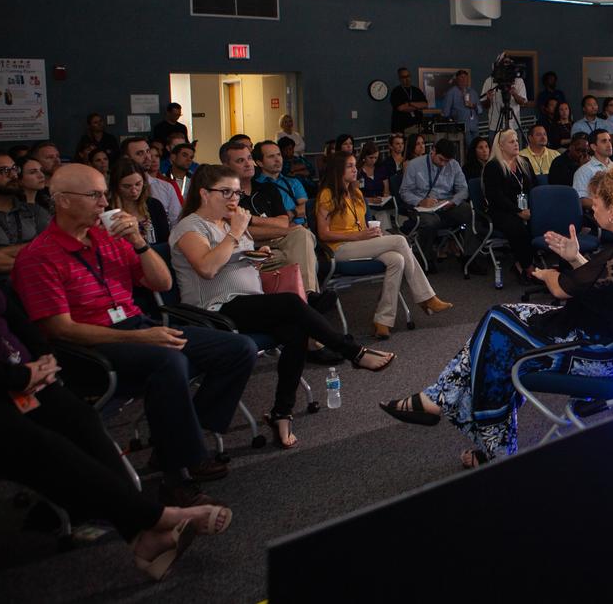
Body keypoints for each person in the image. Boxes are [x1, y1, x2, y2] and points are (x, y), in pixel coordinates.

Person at [379, 163, 613, 465]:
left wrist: (547, 275)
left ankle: (485, 438)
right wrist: (575, 257)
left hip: (594, 354)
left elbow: (562, 289)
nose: (591, 207)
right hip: (603, 336)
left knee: (498, 329)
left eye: (596, 203)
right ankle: (443, 403)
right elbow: (607, 284)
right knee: (500, 322)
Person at [11, 164, 257, 506]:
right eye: (94, 195)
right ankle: (177, 474)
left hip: (136, 324)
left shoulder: (111, 238)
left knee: (238, 348)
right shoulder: (38, 257)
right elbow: (60, 329)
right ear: (63, 201)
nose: (103, 203)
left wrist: (140, 243)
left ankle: (182, 439)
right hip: (87, 346)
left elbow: (162, 284)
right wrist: (142, 339)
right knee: (168, 361)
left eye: (103, 195)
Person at [0, 285, 232, 581]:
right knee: (40, 442)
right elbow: (58, 326)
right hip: (2, 387)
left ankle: (141, 535)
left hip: (30, 376)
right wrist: (20, 375)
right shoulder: (41, 256)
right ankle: (157, 517)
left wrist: (45, 359)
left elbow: (17, 320)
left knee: (82, 420)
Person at [172, 165, 394, 449]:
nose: (233, 199)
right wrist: (236, 234)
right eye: (225, 192)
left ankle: (281, 412)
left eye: (237, 193)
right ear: (203, 193)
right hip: (214, 310)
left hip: (247, 303)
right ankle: (353, 351)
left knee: (296, 329)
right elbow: (207, 267)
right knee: (292, 303)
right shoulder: (190, 226)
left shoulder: (228, 224)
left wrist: (255, 254)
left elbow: (234, 259)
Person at [316, 153, 450, 338]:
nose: (355, 169)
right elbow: (323, 234)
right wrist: (360, 235)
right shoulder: (327, 194)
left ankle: (383, 320)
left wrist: (370, 233)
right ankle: (426, 297)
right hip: (339, 248)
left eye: (355, 165)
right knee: (400, 240)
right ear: (338, 170)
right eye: (349, 166)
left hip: (361, 243)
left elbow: (361, 225)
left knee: (397, 259)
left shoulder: (355, 193)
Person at [220, 141, 321, 301]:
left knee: (301, 234)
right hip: (250, 249)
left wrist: (251, 219)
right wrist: (280, 229)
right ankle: (307, 300)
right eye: (240, 161)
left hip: (278, 241)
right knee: (296, 250)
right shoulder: (226, 195)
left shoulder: (267, 188)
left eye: (249, 158)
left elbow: (283, 222)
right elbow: (242, 232)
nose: (248, 164)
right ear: (226, 166)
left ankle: (308, 295)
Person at [398, 139, 473, 267]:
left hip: (445, 205)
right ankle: (426, 259)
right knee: (430, 222)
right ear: (433, 151)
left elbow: (464, 189)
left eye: (447, 161)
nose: (443, 164)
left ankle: (470, 256)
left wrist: (453, 202)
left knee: (469, 211)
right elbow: (404, 192)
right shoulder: (414, 165)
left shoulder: (453, 165)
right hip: (422, 207)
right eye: (441, 159)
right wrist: (420, 201)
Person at [479, 129, 536, 283]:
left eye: (517, 140)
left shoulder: (524, 162)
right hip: (501, 211)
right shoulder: (493, 166)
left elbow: (533, 188)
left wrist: (531, 208)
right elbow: (496, 197)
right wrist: (518, 212)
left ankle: (519, 264)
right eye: (512, 142)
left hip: (525, 208)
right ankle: (529, 268)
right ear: (501, 146)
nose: (516, 144)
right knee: (517, 226)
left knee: (540, 222)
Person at [0, 152, 52, 277]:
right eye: (4, 170)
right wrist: (32, 253)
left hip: (34, 286)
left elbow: (51, 247)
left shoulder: (34, 211)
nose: (13, 175)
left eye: (14, 169)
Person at [109, 157, 171, 245]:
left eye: (138, 184)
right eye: (127, 186)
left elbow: (165, 242)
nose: (134, 191)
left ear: (144, 182)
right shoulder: (107, 210)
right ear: (116, 186)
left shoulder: (154, 205)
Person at [120, 137, 183, 224]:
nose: (148, 157)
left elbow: (177, 222)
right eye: (139, 153)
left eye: (148, 151)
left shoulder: (166, 187)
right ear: (127, 158)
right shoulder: (119, 189)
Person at [253, 140, 312, 227]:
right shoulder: (256, 186)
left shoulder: (293, 182)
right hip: (274, 231)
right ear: (260, 163)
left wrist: (292, 213)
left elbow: (306, 207)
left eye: (279, 155)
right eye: (271, 156)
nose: (277, 160)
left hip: (300, 227)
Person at [480, 54, 528, 135]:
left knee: (516, 147)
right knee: (495, 147)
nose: (506, 65)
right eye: (504, 62)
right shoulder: (489, 81)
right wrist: (488, 99)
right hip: (495, 126)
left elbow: (523, 102)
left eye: (508, 63)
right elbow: (484, 105)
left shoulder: (518, 81)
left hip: (514, 126)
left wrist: (515, 94)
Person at [573, 128, 613, 210]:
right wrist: (607, 208)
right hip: (599, 215)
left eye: (609, 140)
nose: (609, 144)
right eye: (604, 141)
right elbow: (582, 200)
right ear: (593, 147)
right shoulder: (584, 171)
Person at [442, 69, 482, 148]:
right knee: (469, 149)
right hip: (461, 128)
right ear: (457, 79)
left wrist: (473, 106)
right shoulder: (451, 93)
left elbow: (480, 110)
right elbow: (446, 112)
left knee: (477, 148)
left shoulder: (473, 92)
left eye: (465, 78)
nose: (464, 80)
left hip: (474, 127)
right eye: (461, 78)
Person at [390, 67, 429, 133]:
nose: (407, 79)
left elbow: (425, 105)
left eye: (408, 76)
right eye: (404, 77)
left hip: (417, 126)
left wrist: (410, 103)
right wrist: (417, 107)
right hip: (401, 127)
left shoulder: (416, 90)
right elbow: (401, 108)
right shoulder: (396, 91)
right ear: (400, 78)